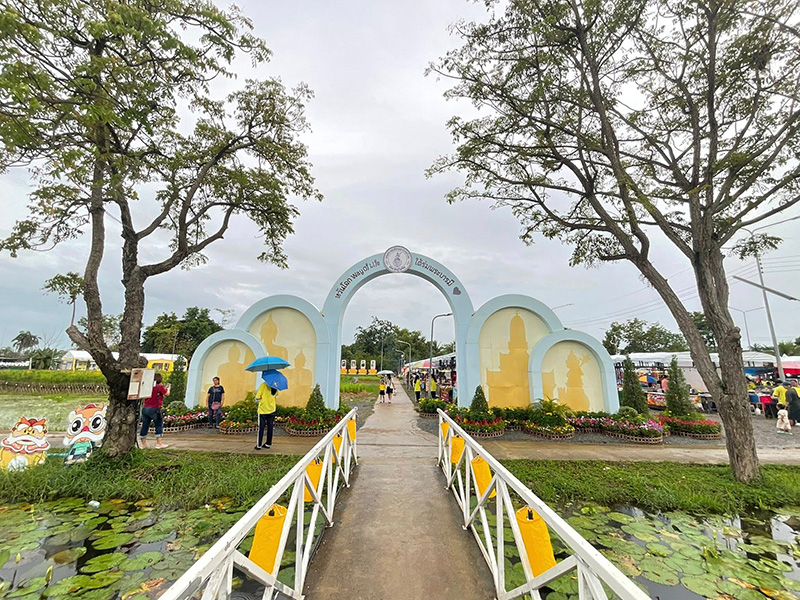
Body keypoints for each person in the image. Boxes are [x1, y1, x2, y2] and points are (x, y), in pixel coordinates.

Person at [140, 372, 170, 449]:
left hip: (145, 408)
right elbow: (167, 394)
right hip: (155, 408)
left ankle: (143, 444)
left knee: (145, 425)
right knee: (158, 425)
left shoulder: (147, 387)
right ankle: (159, 443)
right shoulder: (160, 387)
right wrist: (168, 388)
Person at [254, 380, 278, 450]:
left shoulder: (263, 385)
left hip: (263, 410)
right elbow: (276, 394)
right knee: (270, 427)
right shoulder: (275, 386)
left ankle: (259, 445)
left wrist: (258, 398)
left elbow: (258, 397)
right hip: (272, 409)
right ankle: (268, 444)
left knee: (261, 428)